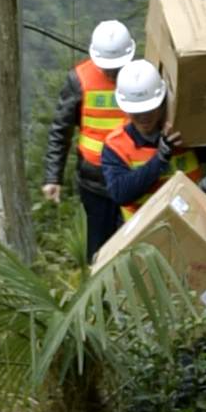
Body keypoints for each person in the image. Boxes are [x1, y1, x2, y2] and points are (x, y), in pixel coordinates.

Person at [41, 21, 138, 256]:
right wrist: (53, 176)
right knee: (98, 250)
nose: (112, 73)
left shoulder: (141, 76)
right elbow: (61, 129)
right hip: (95, 182)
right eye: (108, 67)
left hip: (133, 177)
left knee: (133, 245)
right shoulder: (79, 79)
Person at [92, 56, 180, 233]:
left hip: (187, 224)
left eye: (149, 109)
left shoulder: (181, 132)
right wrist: (159, 159)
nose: (144, 117)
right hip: (143, 234)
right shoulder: (116, 145)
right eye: (137, 111)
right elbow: (120, 193)